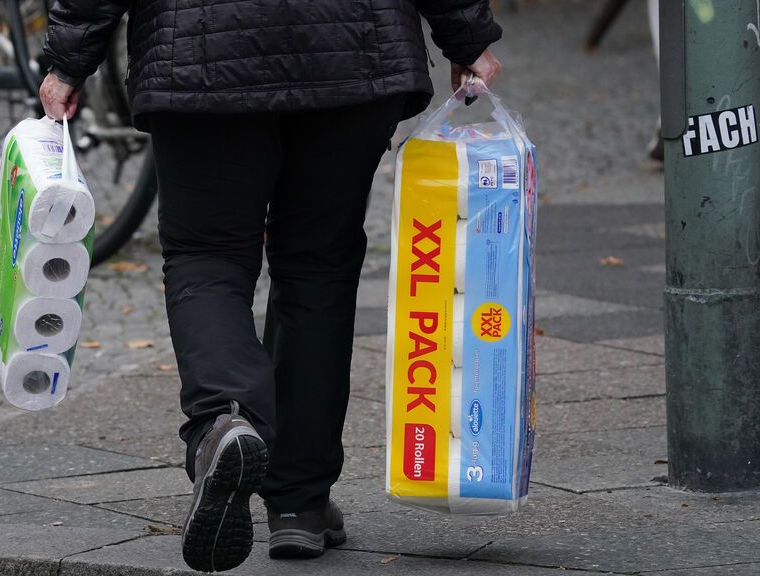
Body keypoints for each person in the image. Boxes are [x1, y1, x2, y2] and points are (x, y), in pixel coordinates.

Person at [40, 1, 502, 571]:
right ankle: (299, 504)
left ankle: (222, 423)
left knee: (207, 257)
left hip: (201, 55)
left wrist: (68, 60)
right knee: (318, 267)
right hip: (349, 49)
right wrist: (466, 34)